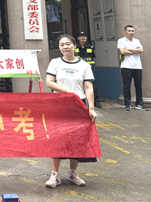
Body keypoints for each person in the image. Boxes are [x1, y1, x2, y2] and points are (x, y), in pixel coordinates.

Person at [44, 34, 97, 189]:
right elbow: (49, 82)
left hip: (79, 105)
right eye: (61, 45)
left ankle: (72, 173)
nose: (65, 47)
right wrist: (67, 91)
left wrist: (91, 108)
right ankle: (55, 175)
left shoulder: (84, 65)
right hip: (59, 104)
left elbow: (88, 87)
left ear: (74, 45)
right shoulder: (55, 63)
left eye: (67, 44)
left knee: (76, 139)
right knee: (57, 138)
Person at [118, 25, 148, 111]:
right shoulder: (121, 40)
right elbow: (122, 51)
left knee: (138, 86)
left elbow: (141, 50)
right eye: (129, 31)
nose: (131, 32)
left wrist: (129, 50)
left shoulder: (137, 41)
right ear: (125, 32)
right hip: (126, 66)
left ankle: (139, 104)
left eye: (132, 31)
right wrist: (135, 51)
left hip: (137, 66)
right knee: (127, 85)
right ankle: (127, 104)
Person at [75, 32, 102, 108]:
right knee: (79, 85)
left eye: (85, 36)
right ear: (78, 38)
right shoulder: (75, 47)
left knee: (92, 85)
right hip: (78, 69)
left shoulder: (90, 47)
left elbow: (92, 57)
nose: (83, 38)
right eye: (81, 36)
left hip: (89, 69)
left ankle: (96, 102)